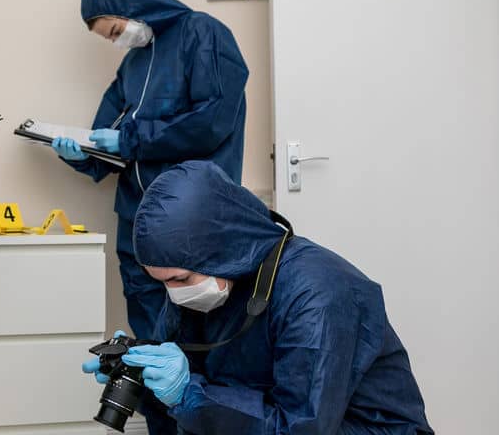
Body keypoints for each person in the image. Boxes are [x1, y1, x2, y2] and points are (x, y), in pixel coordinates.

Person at [83, 161, 434, 434]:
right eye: (162, 282)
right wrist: (140, 374)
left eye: (180, 279)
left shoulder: (317, 294)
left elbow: (301, 428)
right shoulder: (201, 283)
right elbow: (191, 390)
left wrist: (187, 393)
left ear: (221, 249)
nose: (174, 294)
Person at [53, 0, 249, 340]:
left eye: (114, 31)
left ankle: (195, 394)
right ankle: (156, 389)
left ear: (132, 4)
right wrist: (82, 154)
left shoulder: (203, 33)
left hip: (189, 208)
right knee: (146, 316)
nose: (117, 42)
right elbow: (108, 133)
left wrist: (131, 140)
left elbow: (212, 121)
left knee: (197, 315)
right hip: (135, 214)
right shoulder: (132, 64)